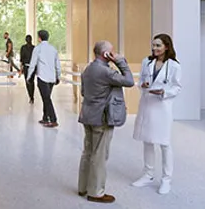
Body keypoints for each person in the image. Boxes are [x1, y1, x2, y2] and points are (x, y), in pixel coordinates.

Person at [78, 40, 134, 204]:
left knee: (87, 153)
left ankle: (83, 187)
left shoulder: (87, 69)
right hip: (101, 118)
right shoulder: (105, 72)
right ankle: (96, 192)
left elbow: (83, 91)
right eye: (112, 51)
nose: (114, 53)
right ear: (106, 54)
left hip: (87, 115)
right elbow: (129, 81)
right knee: (100, 155)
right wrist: (120, 62)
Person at [131, 34, 183, 195]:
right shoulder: (147, 62)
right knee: (147, 141)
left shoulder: (174, 66)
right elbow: (140, 82)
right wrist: (144, 84)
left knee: (164, 143)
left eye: (158, 45)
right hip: (147, 104)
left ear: (167, 47)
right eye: (153, 45)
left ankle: (166, 179)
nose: (154, 48)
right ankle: (148, 174)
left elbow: (177, 87)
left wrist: (164, 91)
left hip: (162, 107)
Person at [26, 30, 62, 127]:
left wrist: (29, 76)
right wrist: (58, 76)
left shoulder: (38, 49)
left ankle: (53, 119)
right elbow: (57, 64)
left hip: (42, 77)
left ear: (39, 38)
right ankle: (45, 117)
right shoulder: (53, 49)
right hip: (52, 77)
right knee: (47, 98)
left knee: (46, 99)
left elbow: (33, 64)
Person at [19, 34, 35, 104]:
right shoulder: (34, 48)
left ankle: (31, 97)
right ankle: (32, 96)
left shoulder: (23, 47)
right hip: (33, 67)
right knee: (32, 81)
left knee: (27, 81)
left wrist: (21, 68)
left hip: (26, 66)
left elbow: (22, 59)